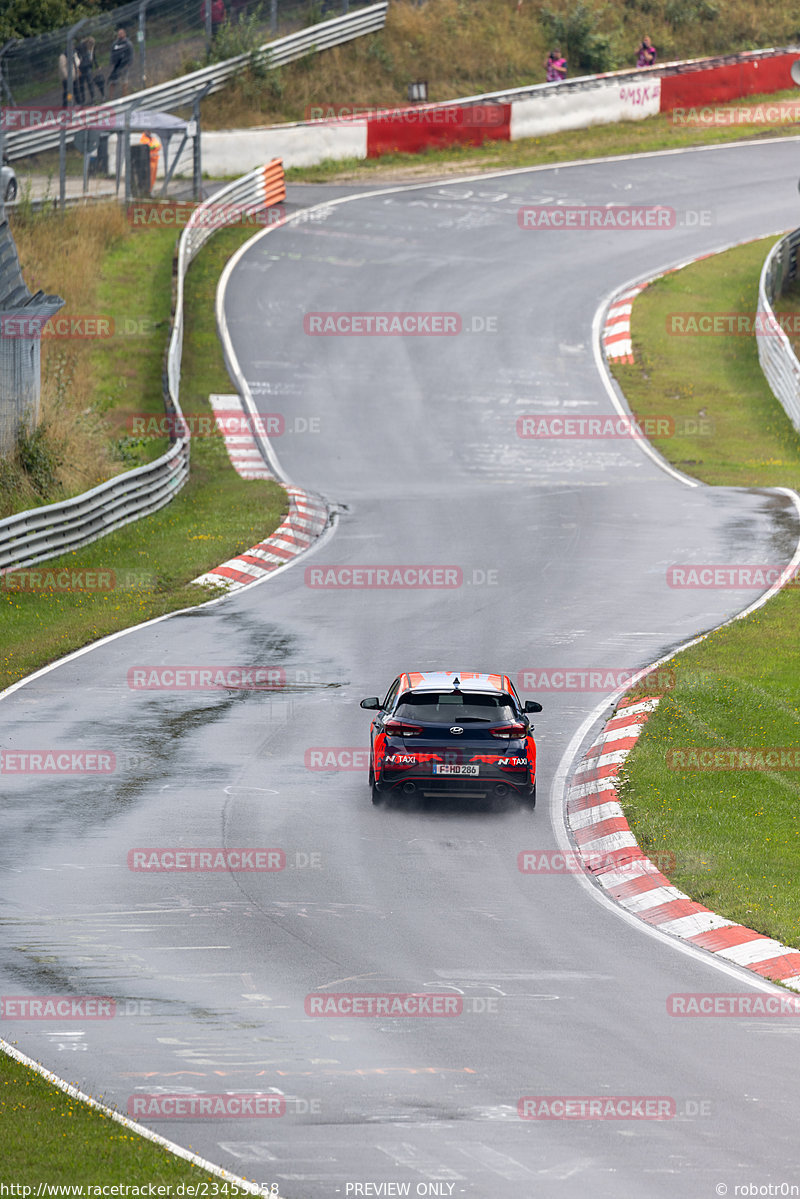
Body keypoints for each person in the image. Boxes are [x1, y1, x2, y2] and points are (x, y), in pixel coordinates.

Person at [108, 28, 134, 98]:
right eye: (119, 34)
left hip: (124, 66)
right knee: (112, 81)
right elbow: (112, 54)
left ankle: (124, 97)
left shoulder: (128, 43)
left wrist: (128, 64)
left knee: (124, 81)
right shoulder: (115, 44)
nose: (120, 35)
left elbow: (131, 54)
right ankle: (110, 98)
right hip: (116, 66)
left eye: (121, 33)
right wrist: (112, 63)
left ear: (124, 34)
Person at [77, 36, 99, 105]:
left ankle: (93, 98)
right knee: (82, 84)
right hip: (81, 67)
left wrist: (96, 65)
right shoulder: (81, 47)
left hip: (88, 67)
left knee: (90, 82)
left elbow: (94, 56)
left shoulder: (92, 47)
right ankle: (83, 100)